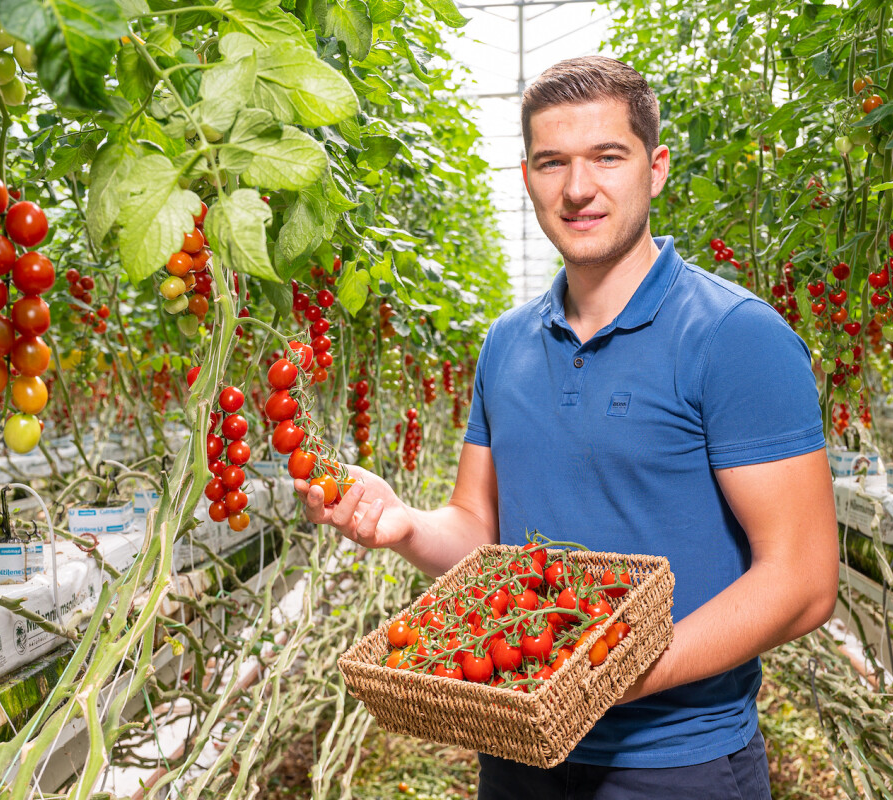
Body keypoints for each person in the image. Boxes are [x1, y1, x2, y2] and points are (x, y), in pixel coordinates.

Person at [296, 55, 838, 799]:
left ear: (656, 168)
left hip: (679, 764)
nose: (577, 188)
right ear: (527, 179)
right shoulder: (507, 344)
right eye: (552, 163)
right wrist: (403, 524)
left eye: (606, 157)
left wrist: (610, 672)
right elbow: (477, 532)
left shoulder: (736, 337)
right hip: (521, 752)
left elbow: (804, 582)